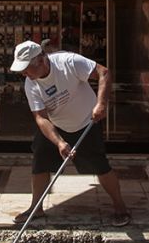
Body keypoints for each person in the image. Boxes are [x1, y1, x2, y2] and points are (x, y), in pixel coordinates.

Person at [9, 40, 131, 227]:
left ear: (40, 61)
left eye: (26, 69)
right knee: (40, 162)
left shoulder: (68, 62)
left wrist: (101, 103)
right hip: (55, 125)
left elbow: (104, 72)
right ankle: (36, 208)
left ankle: (120, 207)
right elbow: (40, 118)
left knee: (99, 165)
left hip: (87, 121)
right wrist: (59, 142)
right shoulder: (30, 83)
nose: (24, 74)